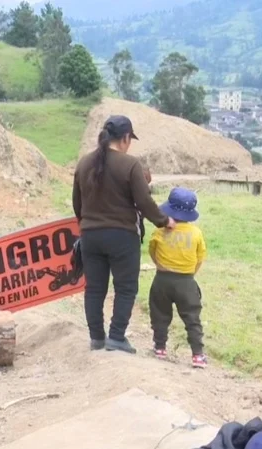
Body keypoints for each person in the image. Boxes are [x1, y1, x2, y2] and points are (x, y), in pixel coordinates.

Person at [73, 115, 174, 354]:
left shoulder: (84, 163)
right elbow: (144, 201)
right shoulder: (130, 165)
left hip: (90, 236)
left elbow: (78, 203)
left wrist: (87, 224)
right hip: (122, 237)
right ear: (126, 138)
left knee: (95, 288)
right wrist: (163, 220)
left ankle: (97, 338)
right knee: (126, 288)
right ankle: (116, 337)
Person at [148, 187, 208, 368]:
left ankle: (160, 348)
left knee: (159, 314)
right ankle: (198, 355)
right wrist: (190, 274)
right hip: (186, 281)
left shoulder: (160, 231)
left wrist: (160, 265)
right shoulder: (196, 233)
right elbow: (200, 258)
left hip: (162, 280)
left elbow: (152, 251)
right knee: (192, 318)